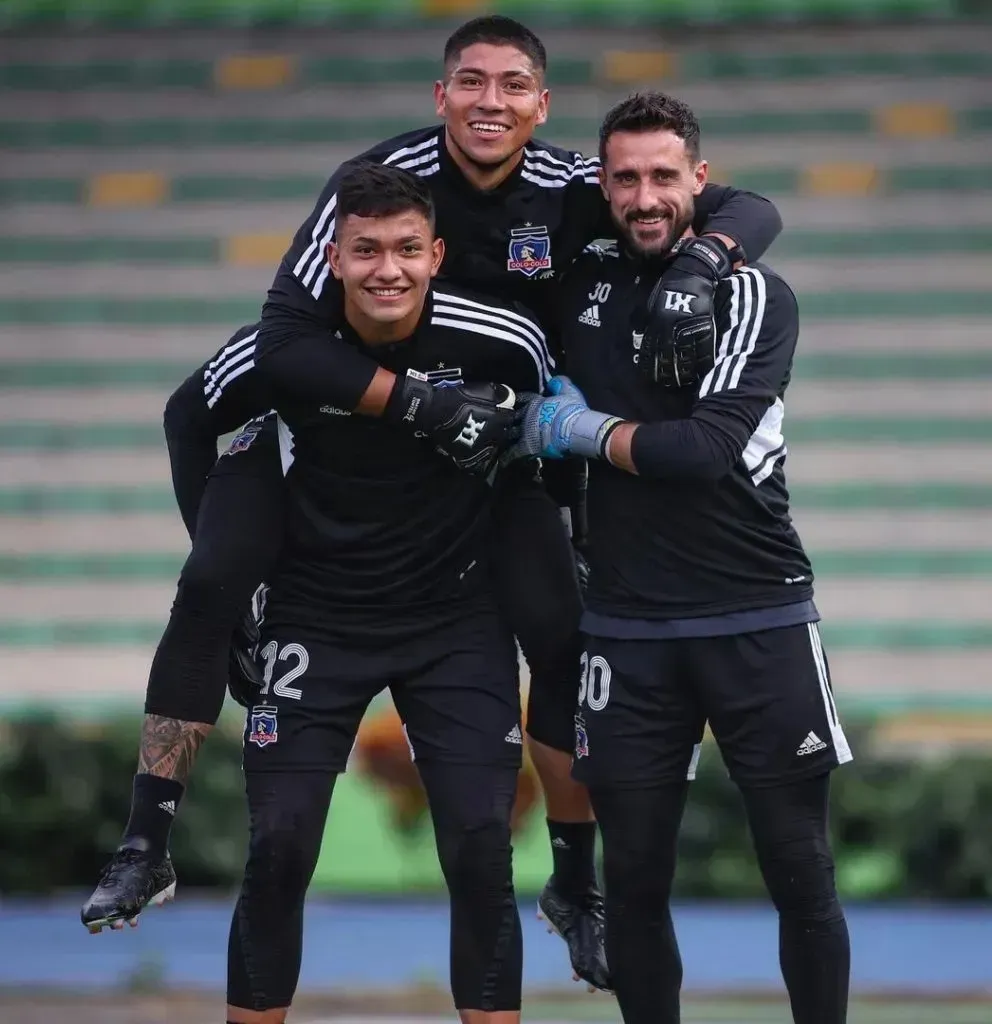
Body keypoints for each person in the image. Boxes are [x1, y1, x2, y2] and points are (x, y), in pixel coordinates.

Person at [83, 15, 783, 989]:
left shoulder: (572, 192)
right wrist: (411, 400)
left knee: (557, 626)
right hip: (337, 431)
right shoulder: (370, 179)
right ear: (439, 96)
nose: (489, 102)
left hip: (488, 452)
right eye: (470, 82)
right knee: (210, 577)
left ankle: (572, 882)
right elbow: (280, 340)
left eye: (511, 85)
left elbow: (741, 204)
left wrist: (704, 265)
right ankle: (144, 837)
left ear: (539, 105)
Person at [507, 91, 853, 1024]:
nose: (646, 195)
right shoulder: (573, 280)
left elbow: (700, 454)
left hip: (760, 612)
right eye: (626, 177)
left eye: (666, 175)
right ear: (603, 185)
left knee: (800, 872)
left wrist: (575, 428)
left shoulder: (751, 293)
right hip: (625, 626)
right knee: (637, 885)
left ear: (701, 178)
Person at [223, 163, 547, 1023]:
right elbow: (191, 414)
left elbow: (542, 469)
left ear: (437, 254)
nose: (388, 269)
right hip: (315, 617)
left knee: (481, 847)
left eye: (407, 249)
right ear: (333, 257)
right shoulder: (290, 350)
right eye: (366, 250)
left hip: (457, 619)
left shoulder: (505, 341)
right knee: (281, 845)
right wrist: (226, 573)